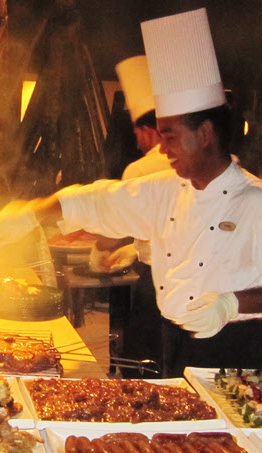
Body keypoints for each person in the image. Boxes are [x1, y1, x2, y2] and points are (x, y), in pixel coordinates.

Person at [0, 8, 262, 377]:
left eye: (171, 137)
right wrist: (34, 210)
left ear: (206, 133)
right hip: (172, 342)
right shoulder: (164, 190)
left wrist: (231, 304)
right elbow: (99, 199)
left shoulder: (261, 206)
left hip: (236, 351)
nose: (163, 149)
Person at [88, 55, 171, 377]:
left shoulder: (142, 168)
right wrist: (138, 245)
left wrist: (101, 249)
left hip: (159, 281)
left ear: (148, 129)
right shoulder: (200, 165)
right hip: (192, 280)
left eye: (137, 131)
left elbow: (115, 223)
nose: (136, 141)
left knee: (145, 360)